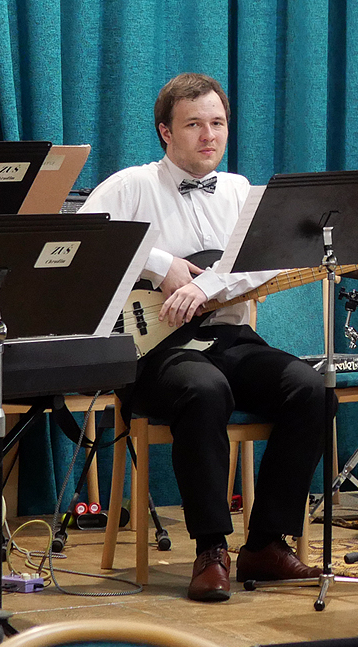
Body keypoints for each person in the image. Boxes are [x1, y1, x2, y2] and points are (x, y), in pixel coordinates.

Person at [80, 73, 324, 601]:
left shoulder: (238, 190)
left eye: (218, 123)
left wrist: (207, 285)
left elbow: (266, 262)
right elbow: (83, 238)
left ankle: (265, 544)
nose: (209, 135)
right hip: (155, 351)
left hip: (229, 339)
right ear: (165, 132)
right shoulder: (131, 186)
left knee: (309, 388)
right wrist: (161, 263)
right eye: (194, 124)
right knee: (204, 390)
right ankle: (212, 548)